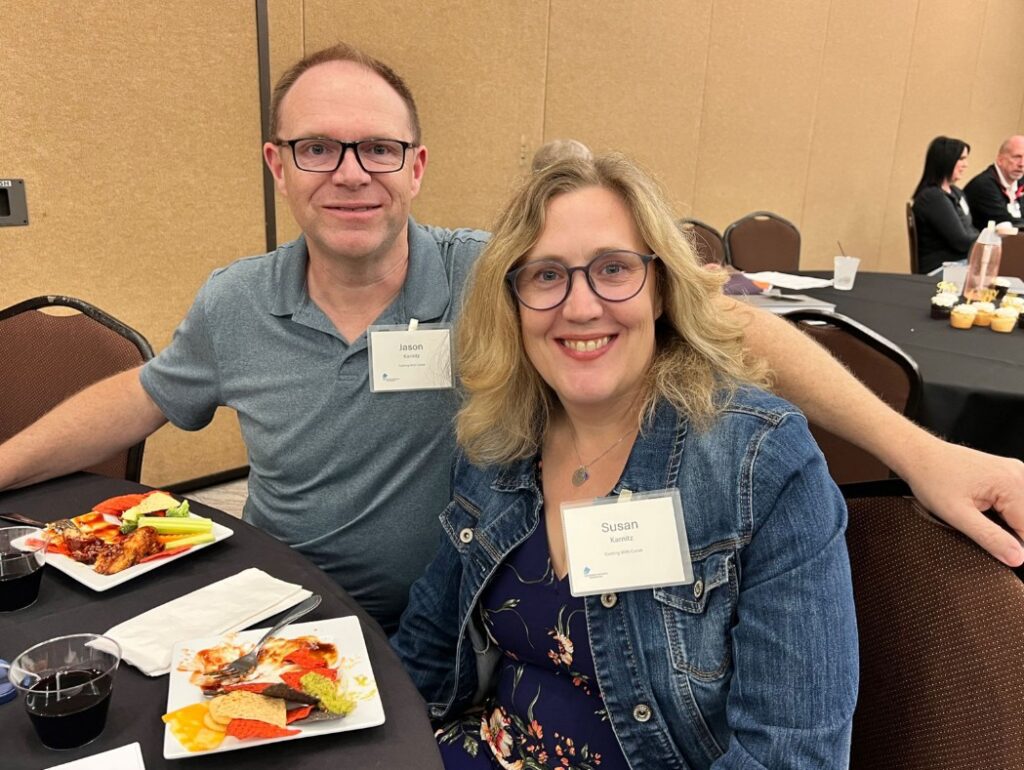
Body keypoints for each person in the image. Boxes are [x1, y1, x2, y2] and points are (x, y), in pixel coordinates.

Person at [1, 43, 1024, 633]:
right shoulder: (234, 302)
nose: (348, 170)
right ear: (279, 163)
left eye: (378, 147)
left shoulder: (499, 276)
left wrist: (919, 450)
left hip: (462, 610)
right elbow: (134, 398)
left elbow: (731, 320)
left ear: (416, 164)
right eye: (317, 146)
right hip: (285, 607)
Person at [392, 153, 858, 768]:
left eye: (614, 269)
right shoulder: (497, 441)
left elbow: (791, 755)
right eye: (546, 276)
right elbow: (427, 646)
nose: (581, 307)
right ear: (513, 300)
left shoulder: (756, 463)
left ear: (661, 289)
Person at [912, 136, 979, 274]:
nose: (966, 164)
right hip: (941, 268)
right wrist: (989, 237)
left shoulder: (956, 192)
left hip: (960, 264)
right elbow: (961, 242)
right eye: (961, 159)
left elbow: (969, 229)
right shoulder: (933, 197)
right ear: (946, 161)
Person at [963, 135, 1024, 231]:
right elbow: (1006, 223)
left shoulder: (1021, 183)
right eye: (1017, 157)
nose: (1022, 164)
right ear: (1000, 160)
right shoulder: (984, 185)